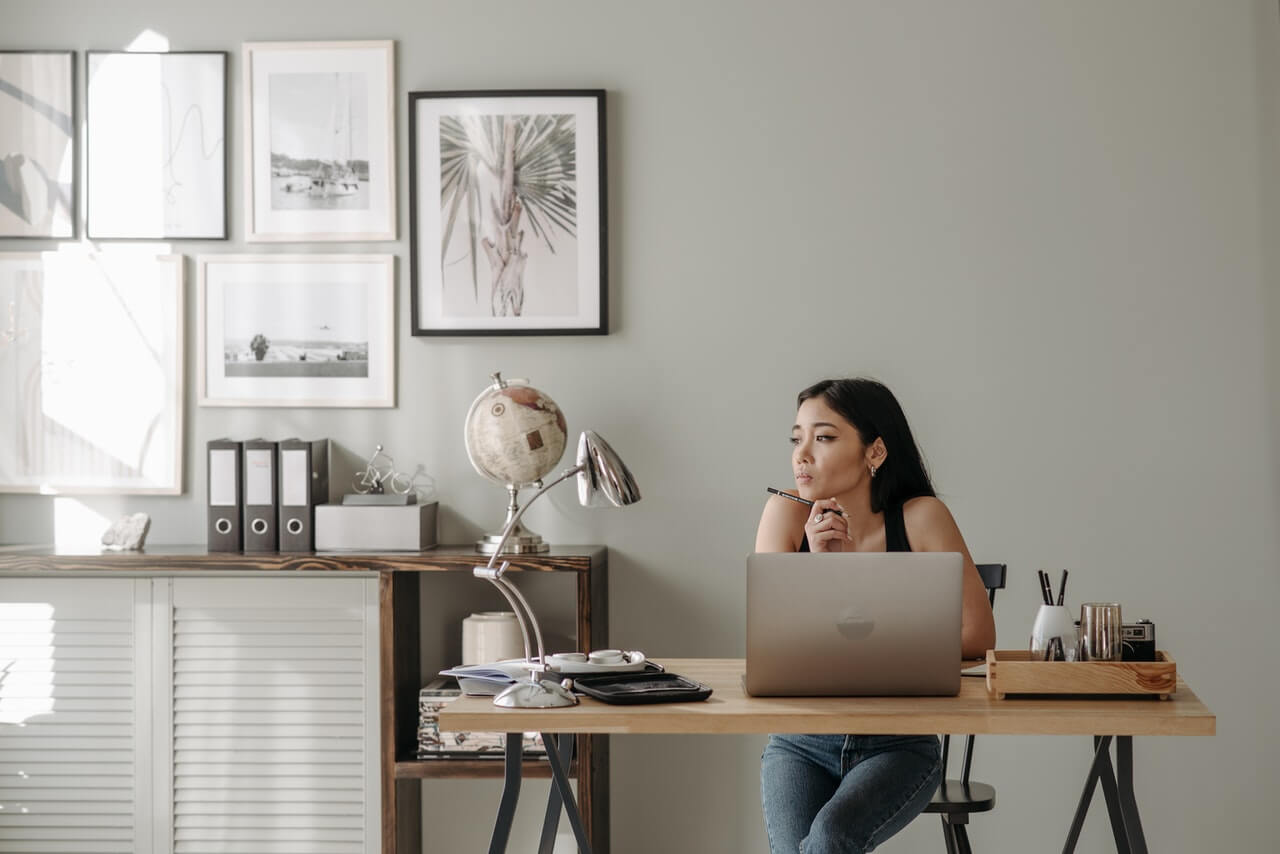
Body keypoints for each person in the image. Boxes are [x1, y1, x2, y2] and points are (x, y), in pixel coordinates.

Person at [756, 378, 996, 854]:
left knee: (828, 841)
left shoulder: (922, 518)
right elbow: (771, 644)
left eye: (823, 437)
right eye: (796, 437)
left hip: (899, 744)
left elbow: (977, 634)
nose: (801, 454)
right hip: (800, 742)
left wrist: (850, 582)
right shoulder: (785, 513)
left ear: (876, 452)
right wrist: (822, 570)